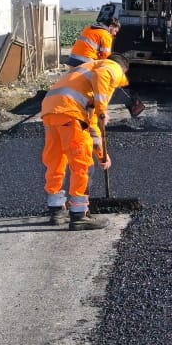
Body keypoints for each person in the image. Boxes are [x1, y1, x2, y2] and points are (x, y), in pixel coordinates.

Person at [39, 56, 138, 228]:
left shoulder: (84, 75)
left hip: (50, 109)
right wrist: (102, 109)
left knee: (56, 160)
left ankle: (56, 210)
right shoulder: (112, 66)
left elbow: (92, 128)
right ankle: (79, 215)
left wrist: (102, 156)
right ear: (123, 70)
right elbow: (103, 75)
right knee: (82, 163)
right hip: (70, 111)